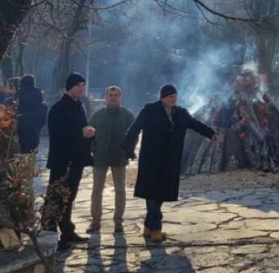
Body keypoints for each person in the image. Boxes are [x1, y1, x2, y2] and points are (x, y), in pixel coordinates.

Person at [124, 84, 218, 242]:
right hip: (151, 159)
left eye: (175, 96)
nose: (173, 99)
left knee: (160, 194)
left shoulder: (181, 114)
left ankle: (148, 226)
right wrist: (128, 148)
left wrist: (211, 133)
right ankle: (156, 229)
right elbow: (134, 129)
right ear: (162, 98)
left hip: (170, 161)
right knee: (152, 193)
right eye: (170, 97)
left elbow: (195, 125)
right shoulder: (149, 111)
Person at [44, 72, 95, 251]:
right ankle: (49, 234)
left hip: (77, 159)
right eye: (78, 85)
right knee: (55, 197)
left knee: (69, 197)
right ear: (69, 87)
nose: (81, 88)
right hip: (62, 160)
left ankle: (67, 231)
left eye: (83, 85)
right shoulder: (58, 108)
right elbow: (57, 134)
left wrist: (88, 133)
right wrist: (80, 133)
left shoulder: (79, 105)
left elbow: (80, 128)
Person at [86, 86, 135, 234]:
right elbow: (89, 133)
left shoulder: (128, 116)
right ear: (106, 97)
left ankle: (118, 222)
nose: (113, 97)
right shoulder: (97, 115)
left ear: (121, 97)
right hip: (100, 157)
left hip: (119, 157)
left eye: (116, 95)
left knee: (120, 190)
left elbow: (134, 135)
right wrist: (93, 148)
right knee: (97, 190)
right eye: (111, 95)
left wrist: (128, 150)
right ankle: (95, 221)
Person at [16, 74, 48, 153]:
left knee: (21, 151)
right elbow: (43, 118)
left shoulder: (18, 97)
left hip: (20, 130)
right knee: (32, 151)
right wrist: (38, 126)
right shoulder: (39, 99)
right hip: (34, 130)